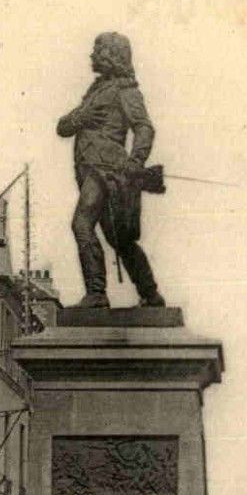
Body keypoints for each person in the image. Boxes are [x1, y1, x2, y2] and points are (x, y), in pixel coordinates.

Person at [56, 32, 165, 309]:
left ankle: (96, 293)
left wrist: (136, 161)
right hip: (89, 168)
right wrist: (81, 117)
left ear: (111, 56)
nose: (92, 55)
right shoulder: (95, 92)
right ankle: (151, 295)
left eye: (97, 50)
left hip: (106, 170)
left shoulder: (126, 90)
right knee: (119, 240)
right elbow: (63, 126)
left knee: (81, 223)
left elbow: (144, 127)